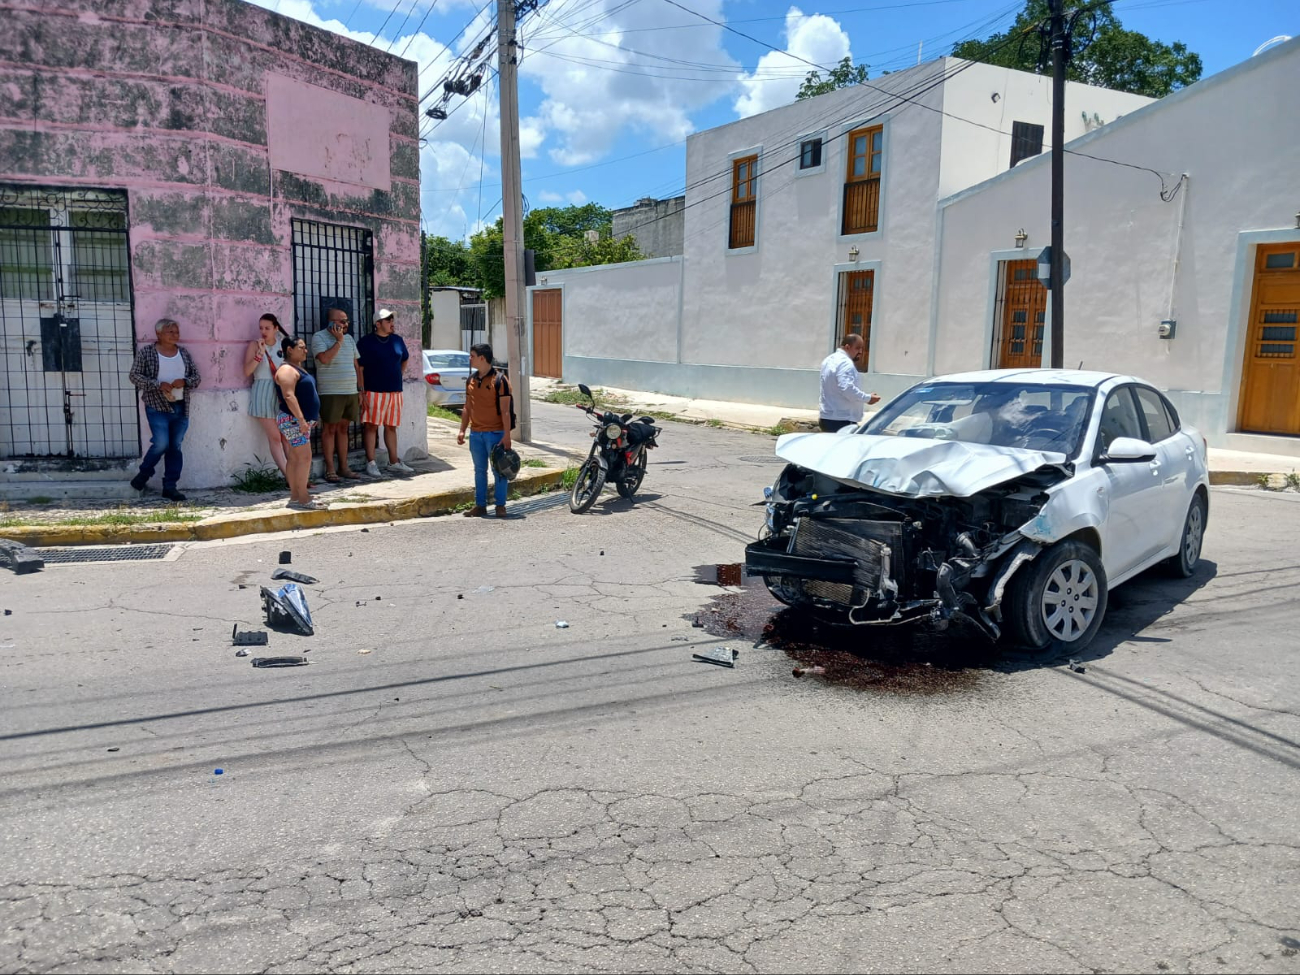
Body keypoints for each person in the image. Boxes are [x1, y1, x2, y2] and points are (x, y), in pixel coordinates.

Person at [128, 318, 201, 500]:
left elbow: (196, 377)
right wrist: (158, 385)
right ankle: (144, 473)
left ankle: (170, 486)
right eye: (171, 332)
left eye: (177, 332)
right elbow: (134, 376)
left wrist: (184, 382)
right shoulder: (147, 353)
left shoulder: (183, 353)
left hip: (180, 406)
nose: (175, 335)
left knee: (175, 447)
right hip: (157, 405)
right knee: (161, 443)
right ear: (158, 334)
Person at [456, 342, 513, 519]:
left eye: (472, 356)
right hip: (476, 434)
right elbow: (467, 408)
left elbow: (505, 411)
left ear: (482, 358)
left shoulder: (500, 380)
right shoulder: (470, 380)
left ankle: (500, 506)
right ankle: (480, 505)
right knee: (479, 470)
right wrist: (462, 430)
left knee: (499, 470)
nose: (469, 359)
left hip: (495, 433)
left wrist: (507, 435)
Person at [357, 308, 414, 477]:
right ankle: (371, 462)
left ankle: (394, 461)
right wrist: (361, 390)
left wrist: (397, 375)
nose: (392, 324)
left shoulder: (397, 340)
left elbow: (404, 359)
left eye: (392, 320)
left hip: (395, 391)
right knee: (371, 426)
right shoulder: (366, 342)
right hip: (373, 391)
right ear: (378, 324)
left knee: (391, 426)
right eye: (388, 321)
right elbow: (360, 368)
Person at [310, 305, 362, 482]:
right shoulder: (319, 337)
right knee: (329, 429)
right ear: (331, 323)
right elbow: (324, 359)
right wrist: (338, 341)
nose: (346, 323)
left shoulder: (349, 339)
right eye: (342, 321)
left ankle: (344, 467)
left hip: (350, 390)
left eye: (347, 320)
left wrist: (360, 389)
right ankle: (330, 469)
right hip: (331, 392)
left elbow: (356, 365)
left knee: (344, 429)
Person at [274, 336, 327, 511]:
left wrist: (311, 417)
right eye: (302, 347)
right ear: (290, 349)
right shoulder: (287, 370)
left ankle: (296, 497)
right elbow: (289, 396)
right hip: (293, 420)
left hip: (297, 421)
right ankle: (303, 498)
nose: (306, 351)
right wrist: (302, 420)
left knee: (296, 458)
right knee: (304, 458)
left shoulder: (297, 369)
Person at [243, 312, 290, 478]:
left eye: (267, 328)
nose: (263, 331)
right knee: (275, 437)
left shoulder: (283, 346)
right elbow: (247, 371)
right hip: (262, 391)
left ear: (276, 329)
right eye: (261, 328)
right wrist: (260, 354)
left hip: (281, 392)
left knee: (286, 435)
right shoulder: (255, 345)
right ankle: (288, 476)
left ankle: (298, 475)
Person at [818, 334, 880, 432]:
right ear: (847, 347)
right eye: (857, 348)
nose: (860, 352)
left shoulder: (828, 360)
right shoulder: (846, 363)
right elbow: (847, 389)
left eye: (862, 349)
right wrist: (868, 398)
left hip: (827, 418)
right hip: (842, 421)